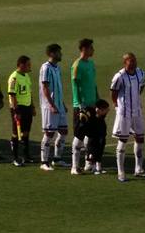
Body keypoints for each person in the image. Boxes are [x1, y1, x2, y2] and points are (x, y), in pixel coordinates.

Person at [110, 52, 145, 182]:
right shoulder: (119, 76)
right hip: (124, 112)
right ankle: (121, 172)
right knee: (123, 140)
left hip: (137, 111)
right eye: (131, 61)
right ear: (125, 62)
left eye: (135, 60)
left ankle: (139, 168)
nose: (134, 62)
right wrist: (117, 105)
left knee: (140, 138)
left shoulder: (140, 73)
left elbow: (141, 86)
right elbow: (113, 92)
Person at [70, 39, 99, 172]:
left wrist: (97, 99)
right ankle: (74, 166)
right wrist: (80, 103)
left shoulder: (91, 64)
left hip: (92, 105)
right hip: (81, 106)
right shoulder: (77, 65)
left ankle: (89, 163)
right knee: (79, 135)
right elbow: (76, 85)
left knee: (91, 135)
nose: (93, 50)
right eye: (91, 48)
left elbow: (93, 84)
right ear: (84, 49)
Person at [39, 44, 68, 171]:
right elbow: (45, 88)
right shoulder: (45, 68)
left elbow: (58, 88)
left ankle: (57, 158)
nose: (61, 54)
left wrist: (62, 103)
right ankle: (44, 162)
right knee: (49, 133)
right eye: (58, 52)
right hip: (49, 106)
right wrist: (51, 105)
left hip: (59, 105)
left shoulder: (57, 68)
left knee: (63, 131)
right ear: (52, 53)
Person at [7, 55, 34, 166]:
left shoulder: (26, 76)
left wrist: (33, 106)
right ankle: (15, 158)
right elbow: (12, 95)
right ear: (21, 65)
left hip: (27, 107)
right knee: (16, 133)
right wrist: (16, 111)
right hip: (18, 108)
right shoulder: (14, 77)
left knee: (26, 132)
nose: (30, 66)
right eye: (28, 64)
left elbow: (29, 92)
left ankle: (25, 156)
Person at [87, 100, 111, 175]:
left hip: (101, 136)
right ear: (99, 109)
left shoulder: (101, 116)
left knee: (100, 151)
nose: (106, 111)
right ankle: (93, 169)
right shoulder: (92, 117)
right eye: (104, 109)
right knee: (93, 152)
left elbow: (107, 109)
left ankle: (99, 168)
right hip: (94, 138)